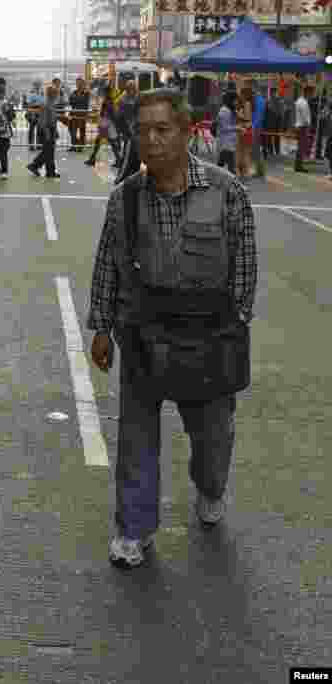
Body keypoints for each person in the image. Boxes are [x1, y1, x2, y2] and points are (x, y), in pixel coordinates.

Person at [86, 88, 258, 570]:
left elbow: (244, 271)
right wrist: (102, 327)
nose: (151, 141)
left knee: (212, 438)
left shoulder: (227, 193)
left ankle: (210, 488)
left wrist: (233, 325)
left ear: (187, 133)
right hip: (143, 338)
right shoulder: (125, 200)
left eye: (162, 130)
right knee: (137, 439)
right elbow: (108, 264)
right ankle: (133, 530)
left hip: (208, 342)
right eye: (143, 132)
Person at [27, 85, 60, 179]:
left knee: (48, 151)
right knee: (48, 152)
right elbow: (44, 121)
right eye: (55, 93)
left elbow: (52, 119)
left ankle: (41, 168)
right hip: (46, 130)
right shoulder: (46, 104)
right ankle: (46, 170)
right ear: (52, 94)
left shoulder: (50, 104)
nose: (57, 95)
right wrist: (47, 133)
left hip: (50, 130)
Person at [114, 80, 141, 185]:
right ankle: (121, 177)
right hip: (130, 132)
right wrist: (124, 132)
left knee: (137, 157)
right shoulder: (123, 99)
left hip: (137, 131)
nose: (132, 90)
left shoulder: (139, 98)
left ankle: (134, 177)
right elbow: (119, 117)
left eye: (134, 88)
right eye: (131, 88)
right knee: (127, 155)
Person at [85, 94, 123, 167]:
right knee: (111, 145)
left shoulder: (107, 105)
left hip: (107, 127)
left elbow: (106, 118)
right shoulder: (110, 105)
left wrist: (103, 128)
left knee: (105, 144)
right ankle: (119, 161)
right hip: (108, 128)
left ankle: (92, 159)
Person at [216, 90, 238, 174]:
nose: (236, 102)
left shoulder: (230, 110)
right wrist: (237, 128)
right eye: (235, 100)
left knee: (220, 165)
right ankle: (235, 184)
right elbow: (224, 128)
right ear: (231, 100)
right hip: (225, 143)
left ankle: (215, 180)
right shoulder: (224, 111)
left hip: (228, 143)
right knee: (231, 168)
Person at [294, 85, 313, 173]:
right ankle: (299, 166)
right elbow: (306, 117)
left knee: (300, 147)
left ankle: (298, 165)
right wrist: (308, 126)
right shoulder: (303, 102)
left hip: (299, 125)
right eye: (310, 93)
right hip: (302, 126)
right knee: (301, 147)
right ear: (307, 92)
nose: (311, 95)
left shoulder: (299, 101)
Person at [68, 78, 91, 152]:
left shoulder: (86, 93)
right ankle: (74, 145)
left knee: (82, 130)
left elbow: (84, 101)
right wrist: (78, 99)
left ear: (83, 84)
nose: (78, 85)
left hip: (82, 114)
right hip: (73, 114)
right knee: (72, 130)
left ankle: (80, 146)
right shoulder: (74, 92)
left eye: (80, 83)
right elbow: (71, 101)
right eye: (77, 83)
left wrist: (76, 99)